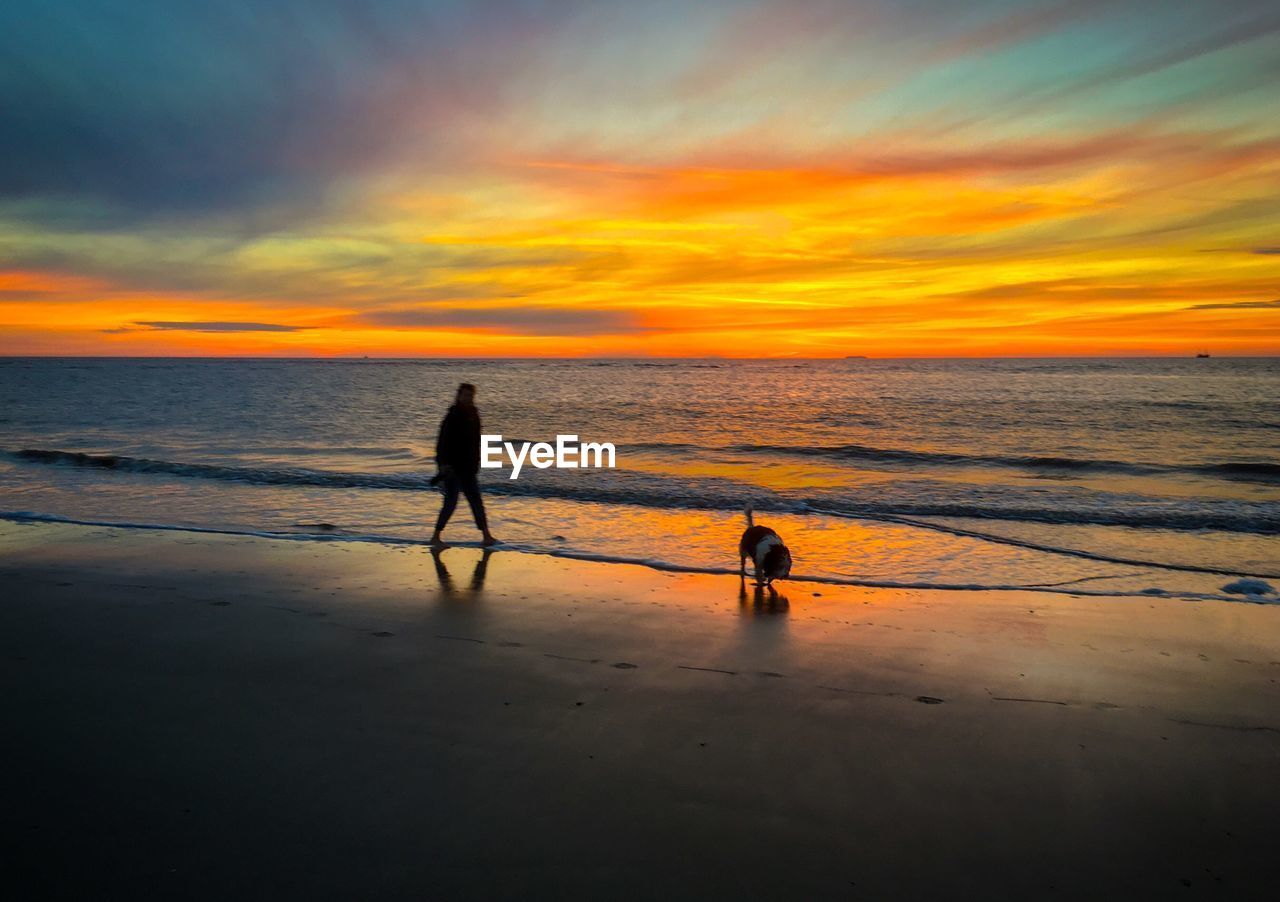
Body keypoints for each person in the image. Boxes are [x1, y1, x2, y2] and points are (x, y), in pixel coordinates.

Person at [429, 382, 498, 547]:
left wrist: (477, 462)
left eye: (471, 396)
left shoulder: (474, 415)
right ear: (459, 396)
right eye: (466, 395)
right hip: (452, 468)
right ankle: (436, 536)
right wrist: (443, 464)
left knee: (476, 501)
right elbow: (443, 442)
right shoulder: (452, 416)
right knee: (451, 503)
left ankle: (487, 536)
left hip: (468, 467)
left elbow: (476, 442)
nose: (468, 398)